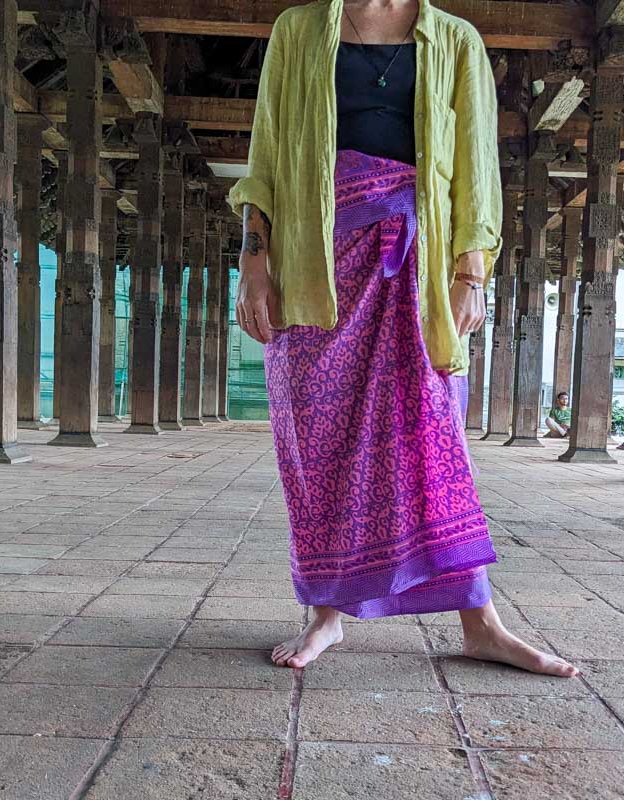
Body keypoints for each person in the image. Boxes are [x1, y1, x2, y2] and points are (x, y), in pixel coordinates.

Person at [228, 0, 577, 678]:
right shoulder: (298, 31)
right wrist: (253, 261)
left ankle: (482, 623)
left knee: (433, 435)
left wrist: (471, 272)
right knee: (317, 441)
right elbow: (266, 154)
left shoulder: (455, 41)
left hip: (417, 268)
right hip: (312, 266)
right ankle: (327, 613)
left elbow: (477, 164)